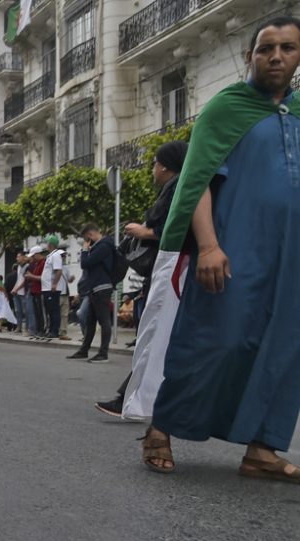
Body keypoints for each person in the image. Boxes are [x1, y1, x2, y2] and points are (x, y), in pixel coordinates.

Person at [132, 16, 300, 480]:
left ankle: (262, 448)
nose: (276, 56)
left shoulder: (298, 112)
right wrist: (208, 245)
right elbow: (199, 179)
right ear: (250, 56)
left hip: (292, 259)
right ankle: (161, 429)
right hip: (234, 247)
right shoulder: (227, 108)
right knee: (216, 340)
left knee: (285, 348)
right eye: (267, 48)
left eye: (287, 48)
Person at [95, 140, 188, 416]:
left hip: (171, 272)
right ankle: (131, 396)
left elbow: (175, 226)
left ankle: (137, 399)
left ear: (165, 166)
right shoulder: (173, 189)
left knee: (155, 336)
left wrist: (144, 232)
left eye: (155, 164)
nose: (152, 169)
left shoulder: (179, 191)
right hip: (164, 272)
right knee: (154, 338)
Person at [67, 224, 113, 363]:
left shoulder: (104, 246)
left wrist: (85, 250)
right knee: (90, 321)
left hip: (102, 287)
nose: (87, 241)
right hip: (94, 288)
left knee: (104, 320)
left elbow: (85, 263)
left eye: (86, 238)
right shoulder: (99, 246)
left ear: (91, 234)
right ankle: (84, 350)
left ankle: (103, 353)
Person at [41, 236, 66, 339]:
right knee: (50, 310)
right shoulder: (50, 256)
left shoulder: (55, 255)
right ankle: (51, 330)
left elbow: (58, 271)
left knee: (54, 310)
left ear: (50, 244)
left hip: (52, 288)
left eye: (47, 243)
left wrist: (54, 284)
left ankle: (54, 331)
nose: (46, 245)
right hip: (46, 288)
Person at [24, 245, 45, 338]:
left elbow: (44, 278)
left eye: (33, 256)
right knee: (36, 312)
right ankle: (38, 329)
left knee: (41, 312)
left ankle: (42, 329)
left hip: (40, 291)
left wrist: (31, 276)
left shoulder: (43, 263)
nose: (32, 258)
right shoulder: (36, 264)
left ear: (37, 254)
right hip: (34, 291)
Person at [10, 251, 30, 335]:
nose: (17, 258)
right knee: (18, 311)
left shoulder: (27, 266)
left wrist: (17, 288)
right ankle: (19, 327)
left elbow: (25, 281)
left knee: (26, 311)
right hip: (17, 292)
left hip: (24, 292)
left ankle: (27, 328)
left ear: (23, 257)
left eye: (18, 257)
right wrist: (14, 289)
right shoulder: (18, 267)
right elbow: (18, 280)